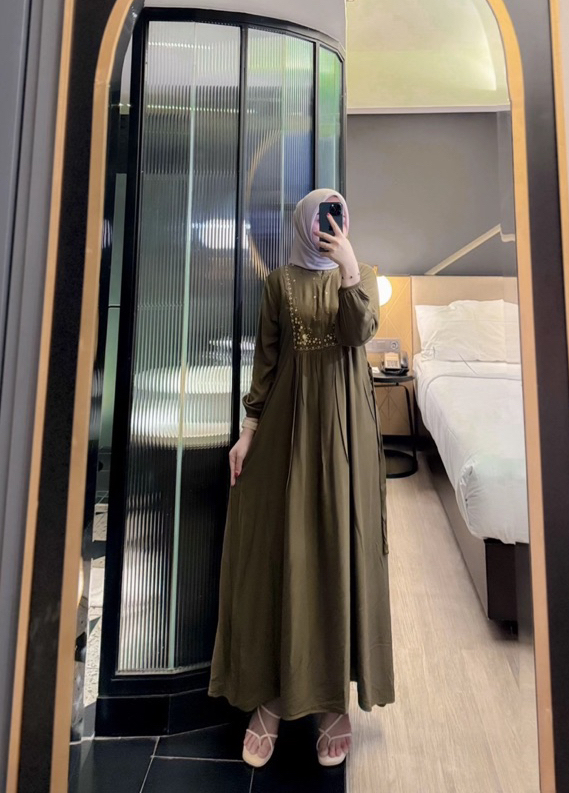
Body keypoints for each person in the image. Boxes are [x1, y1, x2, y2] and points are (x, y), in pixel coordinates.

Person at [208, 188, 395, 768]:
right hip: (287, 430)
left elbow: (358, 332)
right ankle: (269, 698)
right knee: (281, 553)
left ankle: (331, 703)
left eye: (336, 216)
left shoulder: (363, 276)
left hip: (346, 433)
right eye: (320, 217)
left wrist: (348, 266)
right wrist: (249, 430)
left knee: (337, 551)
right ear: (302, 223)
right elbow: (265, 363)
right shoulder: (278, 284)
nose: (327, 226)